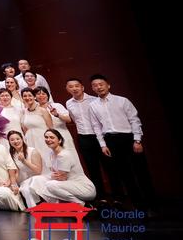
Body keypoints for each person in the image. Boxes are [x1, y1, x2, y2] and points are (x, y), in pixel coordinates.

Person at [89, 74, 154, 208]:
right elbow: (96, 126)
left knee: (141, 171)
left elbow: (134, 120)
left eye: (101, 84)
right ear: (92, 88)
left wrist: (137, 140)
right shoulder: (93, 106)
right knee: (125, 174)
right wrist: (103, 145)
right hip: (110, 140)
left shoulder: (122, 101)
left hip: (128, 138)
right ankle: (138, 205)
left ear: (108, 85)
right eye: (95, 85)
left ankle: (151, 204)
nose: (98, 87)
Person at [25, 129, 96, 205]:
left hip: (84, 188)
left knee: (50, 185)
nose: (48, 139)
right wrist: (53, 176)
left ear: (59, 140)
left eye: (52, 137)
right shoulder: (52, 154)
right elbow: (57, 175)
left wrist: (53, 177)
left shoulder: (63, 155)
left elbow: (62, 178)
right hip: (70, 185)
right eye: (46, 137)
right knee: (39, 180)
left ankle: (80, 203)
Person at [64, 78, 106, 201]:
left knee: (108, 166)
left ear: (82, 87)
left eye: (77, 86)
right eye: (71, 86)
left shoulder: (94, 100)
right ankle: (100, 197)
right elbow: (74, 119)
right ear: (67, 89)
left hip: (99, 137)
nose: (74, 88)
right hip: (83, 138)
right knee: (92, 169)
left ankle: (117, 196)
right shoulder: (68, 103)